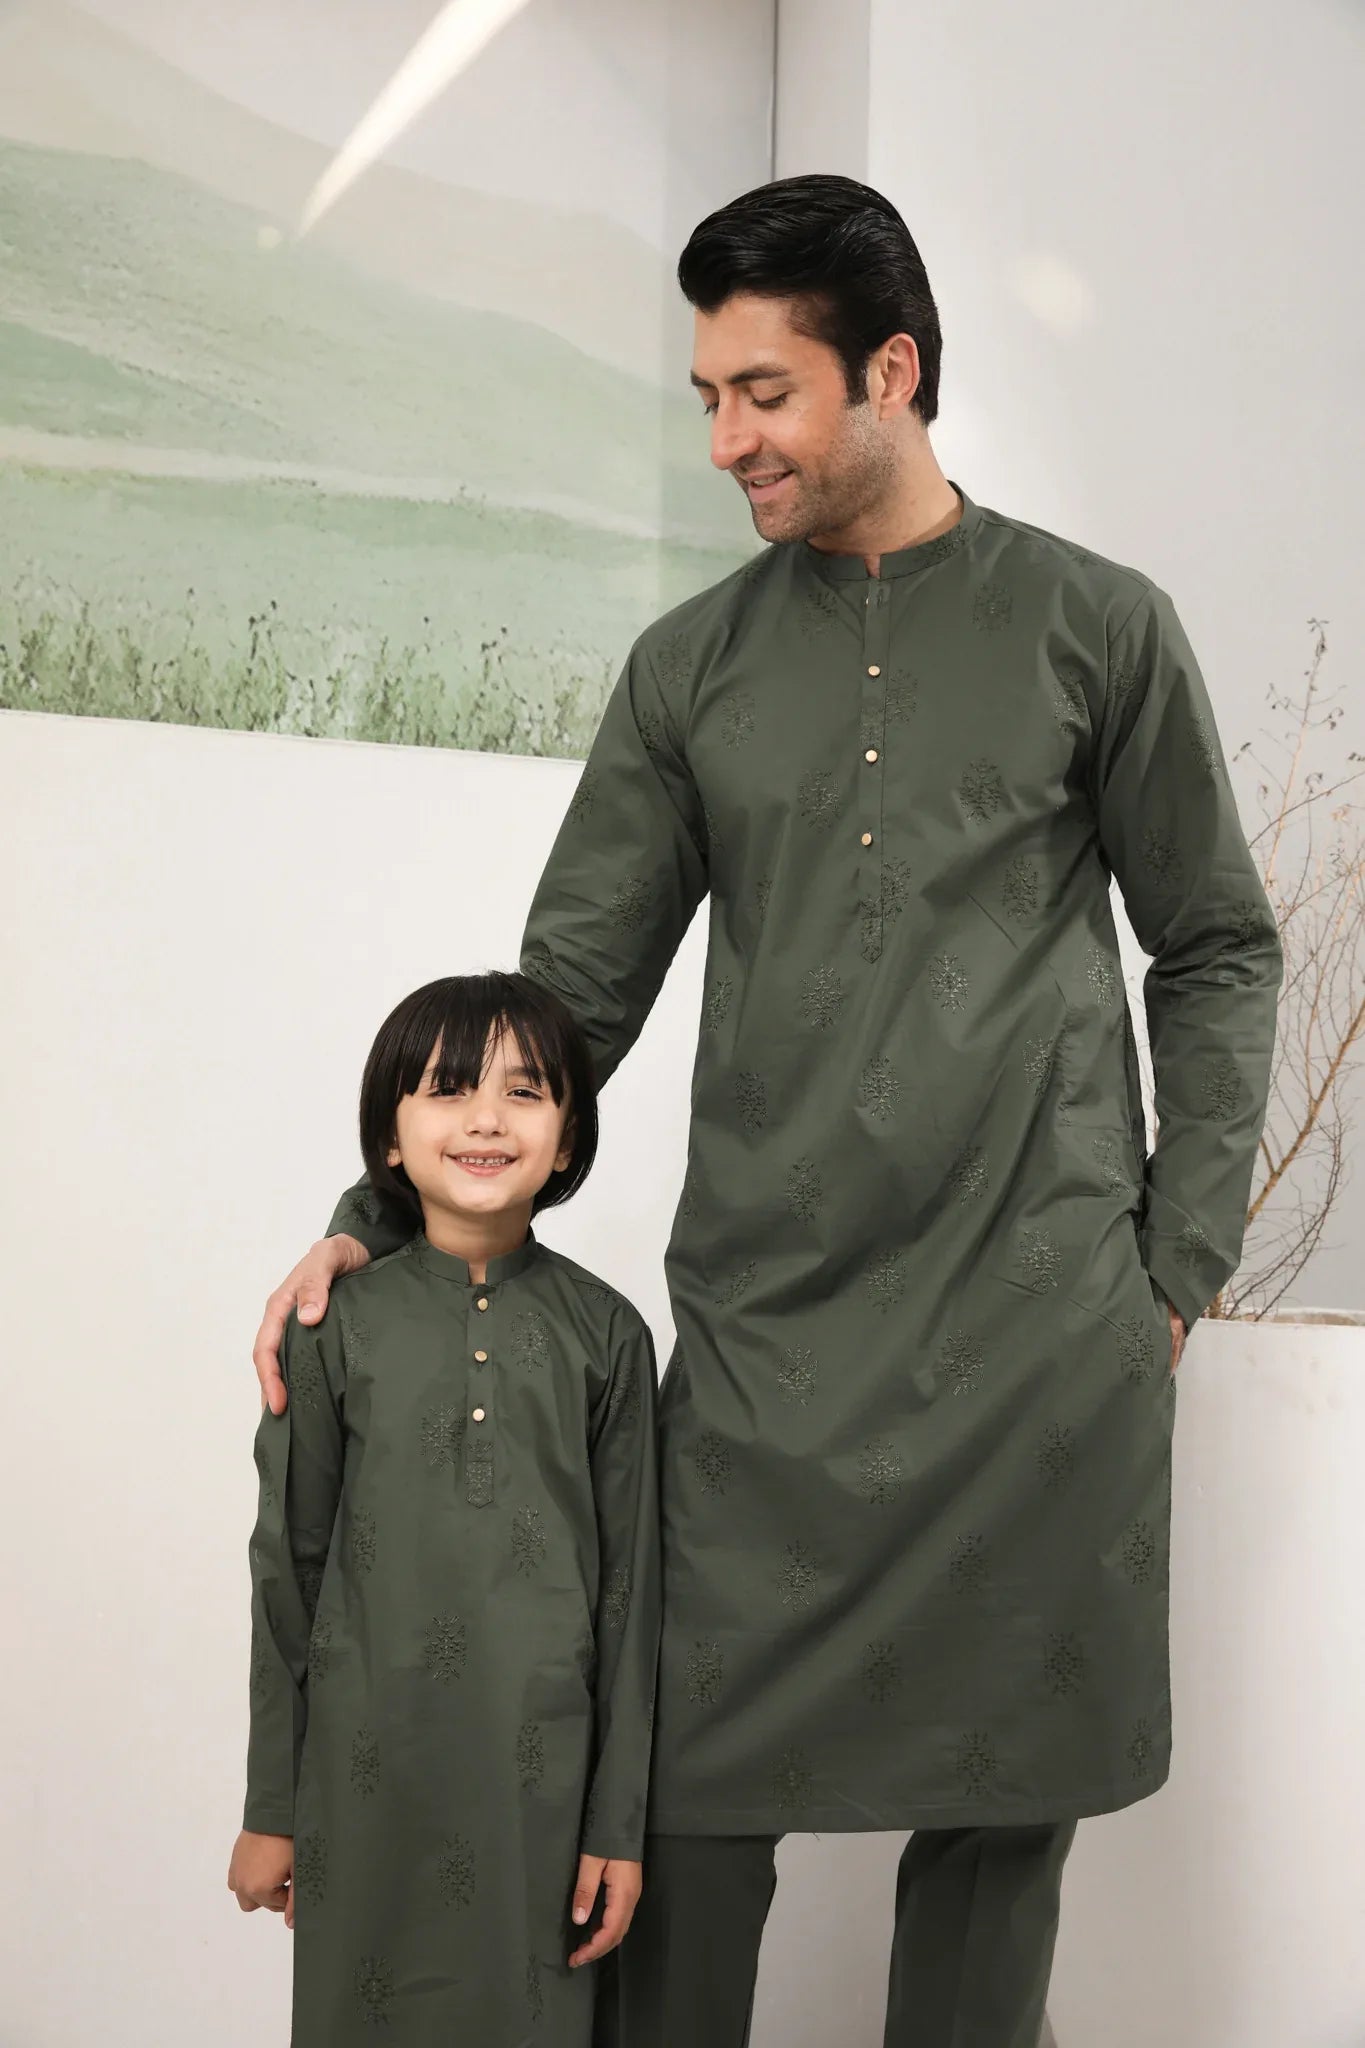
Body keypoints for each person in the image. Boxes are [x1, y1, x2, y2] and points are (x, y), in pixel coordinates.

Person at [250, 176, 1283, 2047]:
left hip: (1038, 1343)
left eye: (764, 393)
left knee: (996, 1832)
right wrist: (374, 1214)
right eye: (708, 395)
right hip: (767, 1349)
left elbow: (1216, 943)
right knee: (683, 1818)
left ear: (892, 370)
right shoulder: (693, 668)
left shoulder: (1094, 629)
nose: (724, 437)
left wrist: (1173, 1262)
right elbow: (568, 1000)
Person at [228, 972, 661, 2045]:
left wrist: (618, 1824)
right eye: (448, 1089)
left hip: (542, 1791)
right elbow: (290, 1567)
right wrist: (272, 1806)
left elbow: (631, 1596)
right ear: (389, 1135)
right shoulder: (330, 1327)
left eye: (525, 1091)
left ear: (566, 1140)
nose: (483, 1118)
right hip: (365, 1774)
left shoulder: (608, 1336)